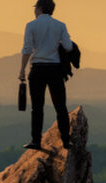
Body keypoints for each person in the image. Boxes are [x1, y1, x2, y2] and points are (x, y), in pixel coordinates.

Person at [18, 0, 74, 150]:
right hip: (55, 70)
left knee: (37, 107)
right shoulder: (60, 25)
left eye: (35, 8)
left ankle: (36, 141)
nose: (34, 10)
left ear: (40, 8)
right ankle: (66, 140)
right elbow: (68, 46)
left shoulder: (31, 25)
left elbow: (27, 48)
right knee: (60, 106)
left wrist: (22, 69)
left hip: (38, 69)